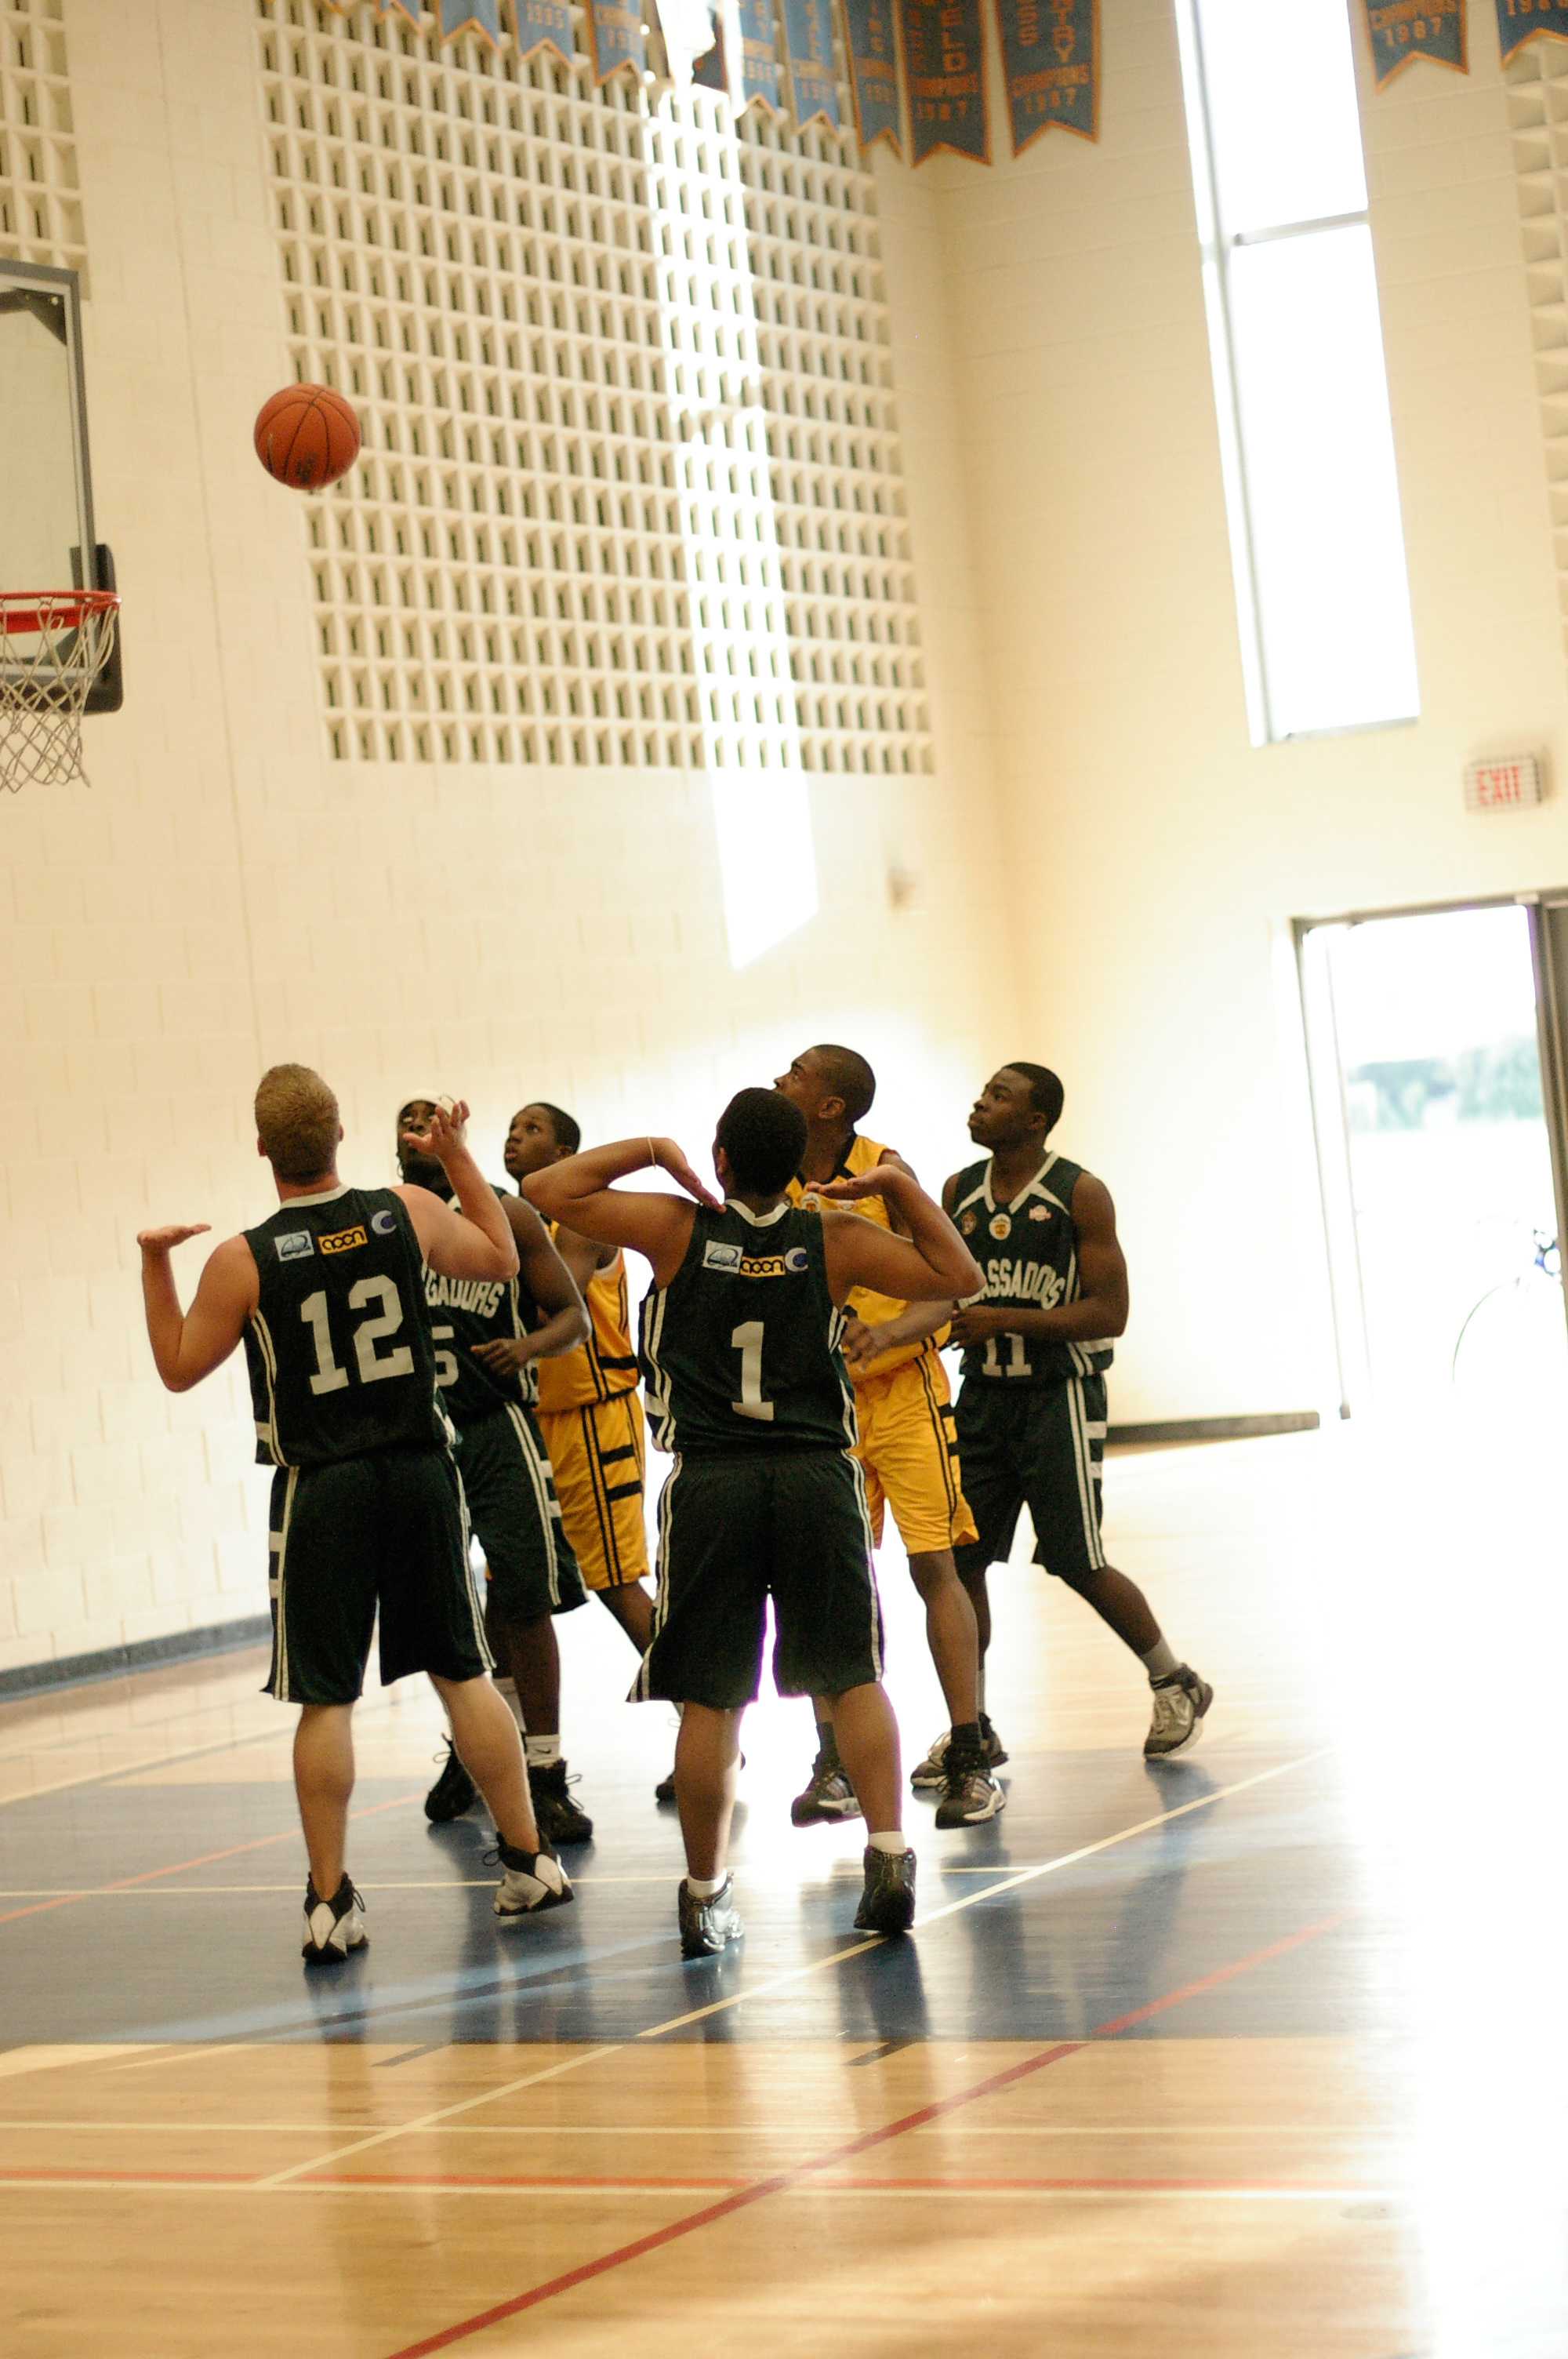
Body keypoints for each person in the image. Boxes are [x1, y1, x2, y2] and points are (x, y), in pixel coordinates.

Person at [524, 1088, 984, 1958]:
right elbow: (961, 1279)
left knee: (713, 1695)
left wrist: (654, 1148)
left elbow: (547, 1187)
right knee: (852, 1676)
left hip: (713, 1482)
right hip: (816, 1477)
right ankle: (889, 1853)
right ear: (799, 1165)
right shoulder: (834, 1236)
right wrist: (897, 1184)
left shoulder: (675, 1228)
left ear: (721, 1160)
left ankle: (705, 1894)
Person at [136, 1069, 573, 1965]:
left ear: (263, 1148)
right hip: (418, 1469)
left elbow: (177, 1367)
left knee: (325, 1696)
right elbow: (501, 1260)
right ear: (339, 1134)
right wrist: (457, 1155)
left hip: (321, 1486)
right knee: (463, 1671)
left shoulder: (242, 1259)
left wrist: (153, 1261)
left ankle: (330, 1899)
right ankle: (529, 1859)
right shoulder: (404, 1209)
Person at [914, 1063, 1211, 1783]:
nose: (980, 1103)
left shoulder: (1080, 1192)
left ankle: (1175, 1681)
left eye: (1000, 1097)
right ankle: (973, 1726)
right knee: (961, 1561)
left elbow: (1111, 1312)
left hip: (1059, 1398)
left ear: (1036, 1120)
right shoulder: (957, 1192)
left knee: (1076, 1558)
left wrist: (1002, 1319)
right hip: (982, 1399)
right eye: (984, 1092)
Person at [775, 1045, 1000, 1830]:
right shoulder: (770, 1175)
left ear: (830, 1105)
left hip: (904, 1394)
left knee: (933, 1563)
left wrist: (891, 1331)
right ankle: (833, 1760)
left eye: (796, 1072)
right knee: (826, 1580)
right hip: (821, 1406)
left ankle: (970, 1751)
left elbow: (947, 1292)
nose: (780, 1079)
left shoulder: (887, 1172)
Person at [394, 1100, 597, 1851]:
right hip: (422, 1436)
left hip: (495, 1424)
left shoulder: (505, 1213)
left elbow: (572, 1317)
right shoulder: (382, 1222)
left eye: (431, 1121)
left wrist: (528, 1347)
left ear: (452, 1138)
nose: (419, 1131)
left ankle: (545, 1770)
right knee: (450, 1608)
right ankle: (478, 1749)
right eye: (407, 1124)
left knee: (526, 1595)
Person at [499, 1103, 676, 1801]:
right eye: (511, 1130)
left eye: (532, 1130)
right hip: (534, 1422)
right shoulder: (515, 1223)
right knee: (508, 1591)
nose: (515, 1138)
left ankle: (707, 1720)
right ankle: (501, 1745)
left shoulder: (578, 1222)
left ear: (565, 1152)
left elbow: (556, 1307)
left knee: (614, 1582)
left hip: (595, 1420)